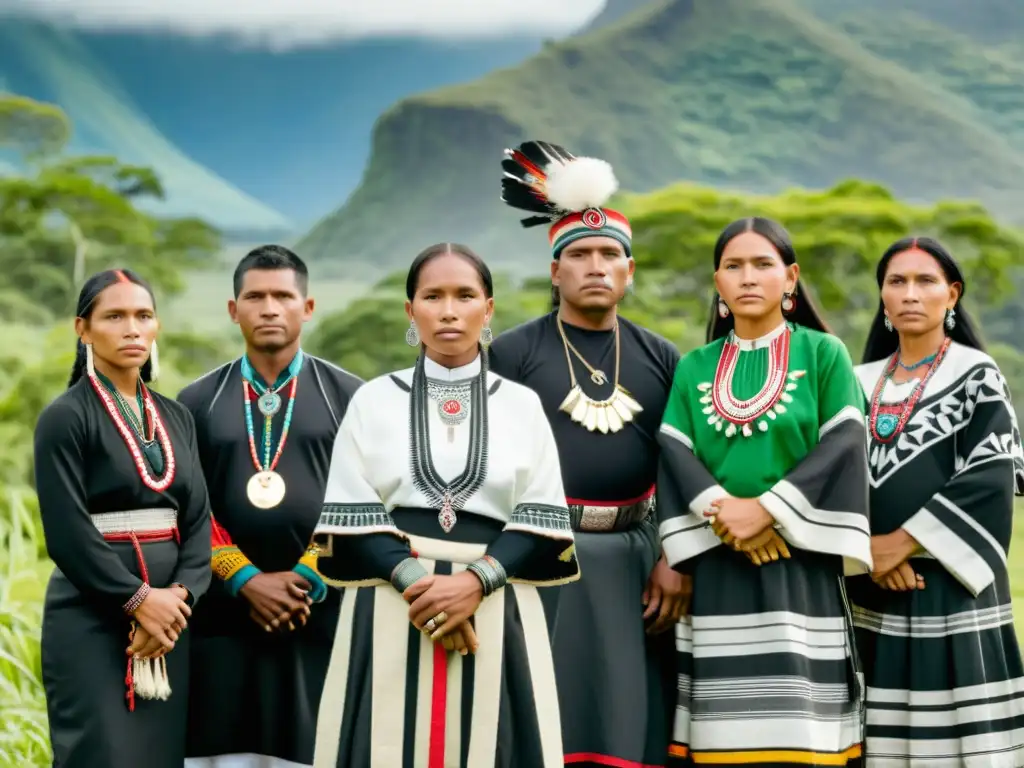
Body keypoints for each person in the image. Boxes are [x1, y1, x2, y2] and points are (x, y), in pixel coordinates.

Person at [310, 242, 579, 767]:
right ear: (411, 311)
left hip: (495, 601)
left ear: (489, 307)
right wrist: (425, 590)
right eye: (433, 296)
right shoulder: (373, 400)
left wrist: (473, 583)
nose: (450, 310)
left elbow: (542, 513)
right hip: (392, 599)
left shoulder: (522, 406)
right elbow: (350, 513)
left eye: (465, 295)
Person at [490, 140, 685, 767]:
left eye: (610, 254)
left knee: (626, 717)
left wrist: (674, 560)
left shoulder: (663, 358)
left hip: (637, 563)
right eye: (579, 254)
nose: (595, 265)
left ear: (628, 271)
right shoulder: (513, 355)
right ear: (555, 271)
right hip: (539, 556)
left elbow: (680, 470)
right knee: (540, 722)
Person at [656, 217, 871, 766]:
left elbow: (844, 440)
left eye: (762, 264)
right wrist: (731, 519)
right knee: (725, 732)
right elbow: (675, 450)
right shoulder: (695, 367)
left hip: (800, 569)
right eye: (733, 266)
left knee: (802, 728)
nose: (747, 277)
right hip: (719, 567)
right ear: (718, 283)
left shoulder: (825, 354)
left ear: (791, 277)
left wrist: (769, 512)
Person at [179, 245, 362, 768]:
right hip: (223, 618)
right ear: (233, 310)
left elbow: (368, 499)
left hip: (318, 615)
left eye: (283, 296)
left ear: (307, 307)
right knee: (221, 755)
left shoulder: (349, 396)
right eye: (254, 296)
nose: (269, 308)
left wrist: (307, 574)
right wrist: (244, 579)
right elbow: (189, 507)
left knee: (316, 750)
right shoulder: (196, 401)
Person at [850, 236, 1024, 766]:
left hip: (948, 587)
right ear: (881, 297)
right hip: (870, 590)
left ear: (952, 295)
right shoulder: (854, 383)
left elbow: (989, 477)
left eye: (925, 281)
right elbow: (831, 478)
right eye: (896, 281)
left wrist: (900, 545)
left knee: (957, 742)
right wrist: (866, 555)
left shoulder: (977, 375)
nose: (909, 293)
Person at [34, 268, 212, 768]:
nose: (133, 328)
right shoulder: (65, 417)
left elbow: (198, 523)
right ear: (82, 329)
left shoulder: (176, 417)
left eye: (144, 315)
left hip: (171, 626)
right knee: (101, 754)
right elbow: (67, 534)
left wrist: (177, 601)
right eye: (114, 316)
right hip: (91, 618)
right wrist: (138, 601)